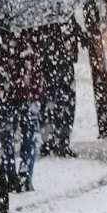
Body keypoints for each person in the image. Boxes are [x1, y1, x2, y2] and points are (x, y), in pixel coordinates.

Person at [0, 26, 46, 192]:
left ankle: (10, 174)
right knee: (28, 134)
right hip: (27, 89)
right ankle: (24, 175)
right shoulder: (33, 25)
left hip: (7, 90)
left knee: (6, 135)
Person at [40, 19, 81, 157]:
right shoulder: (60, 14)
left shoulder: (58, 15)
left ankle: (56, 141)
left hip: (55, 63)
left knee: (57, 104)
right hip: (54, 63)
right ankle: (56, 141)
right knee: (60, 104)